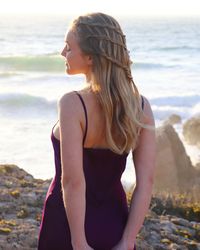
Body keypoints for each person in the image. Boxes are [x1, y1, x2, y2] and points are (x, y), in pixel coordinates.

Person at [38, 12, 155, 250]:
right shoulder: (140, 106)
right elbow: (146, 182)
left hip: (67, 226)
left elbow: (72, 182)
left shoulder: (72, 104)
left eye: (68, 47)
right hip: (114, 224)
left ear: (90, 56)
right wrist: (127, 241)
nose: (63, 53)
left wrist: (79, 243)